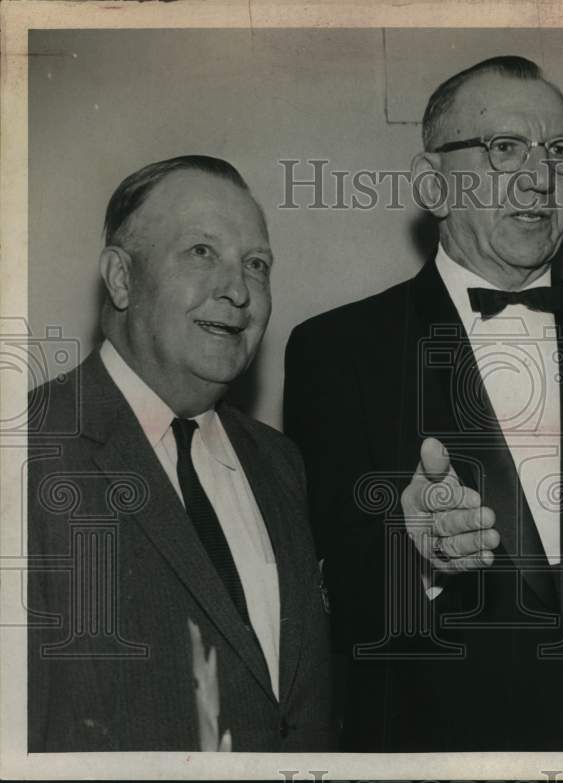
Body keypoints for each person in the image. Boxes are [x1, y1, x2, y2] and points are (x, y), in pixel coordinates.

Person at [284, 56, 563, 752]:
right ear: (432, 182)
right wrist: (414, 555)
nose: (538, 175)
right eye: (504, 148)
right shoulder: (337, 350)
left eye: (560, 151)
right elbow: (328, 600)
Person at [27, 155, 335, 752]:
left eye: (257, 264)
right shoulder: (30, 450)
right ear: (121, 278)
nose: (238, 290)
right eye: (201, 252)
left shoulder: (279, 463)